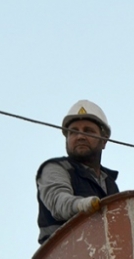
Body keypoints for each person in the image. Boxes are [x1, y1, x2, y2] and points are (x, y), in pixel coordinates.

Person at [36, 100, 120, 244]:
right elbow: (59, 202)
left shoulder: (109, 183)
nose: (80, 136)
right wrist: (82, 205)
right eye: (73, 132)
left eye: (88, 131)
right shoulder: (55, 168)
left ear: (104, 140)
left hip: (101, 253)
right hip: (63, 253)